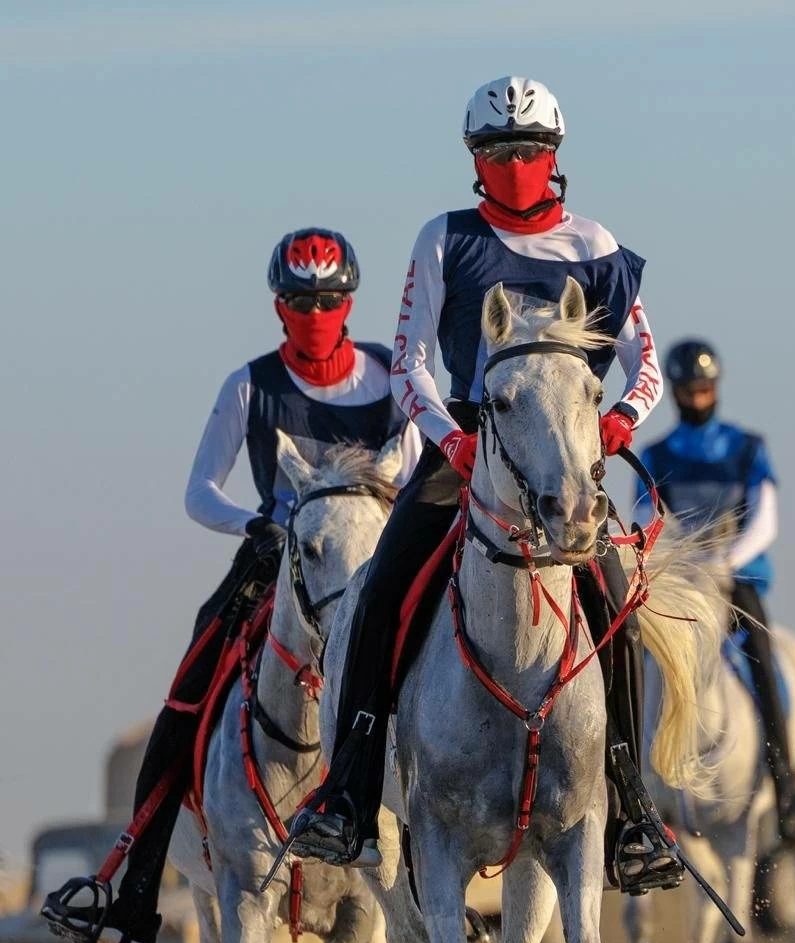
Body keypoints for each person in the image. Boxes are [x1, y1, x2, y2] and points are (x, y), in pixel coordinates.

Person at [284, 76, 682, 894]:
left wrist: (620, 422)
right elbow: (410, 360)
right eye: (497, 152)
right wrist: (451, 440)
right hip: (464, 446)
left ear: (556, 155)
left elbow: (647, 362)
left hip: (565, 457)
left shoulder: (593, 244)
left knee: (615, 600)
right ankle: (350, 798)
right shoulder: (444, 239)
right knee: (384, 586)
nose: (515, 164)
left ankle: (633, 809)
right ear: (474, 158)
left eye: (530, 151)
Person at [41, 228, 421, 943]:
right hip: (276, 561)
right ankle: (136, 884)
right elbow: (198, 492)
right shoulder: (249, 386)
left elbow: (407, 458)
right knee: (191, 676)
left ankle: (439, 886)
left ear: (350, 301)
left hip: (368, 564)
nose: (316, 312)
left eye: (329, 299)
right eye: (301, 300)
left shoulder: (388, 375)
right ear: (279, 305)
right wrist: (260, 524)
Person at [637, 338, 795, 843]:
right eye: (689, 391)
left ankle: (785, 787)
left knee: (760, 651)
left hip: (736, 584)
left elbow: (766, 519)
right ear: (675, 392)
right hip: (681, 584)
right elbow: (646, 516)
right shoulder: (657, 454)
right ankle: (623, 787)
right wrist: (676, 562)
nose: (698, 398)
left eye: (705, 389)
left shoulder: (746, 448)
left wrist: (726, 561)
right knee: (632, 651)